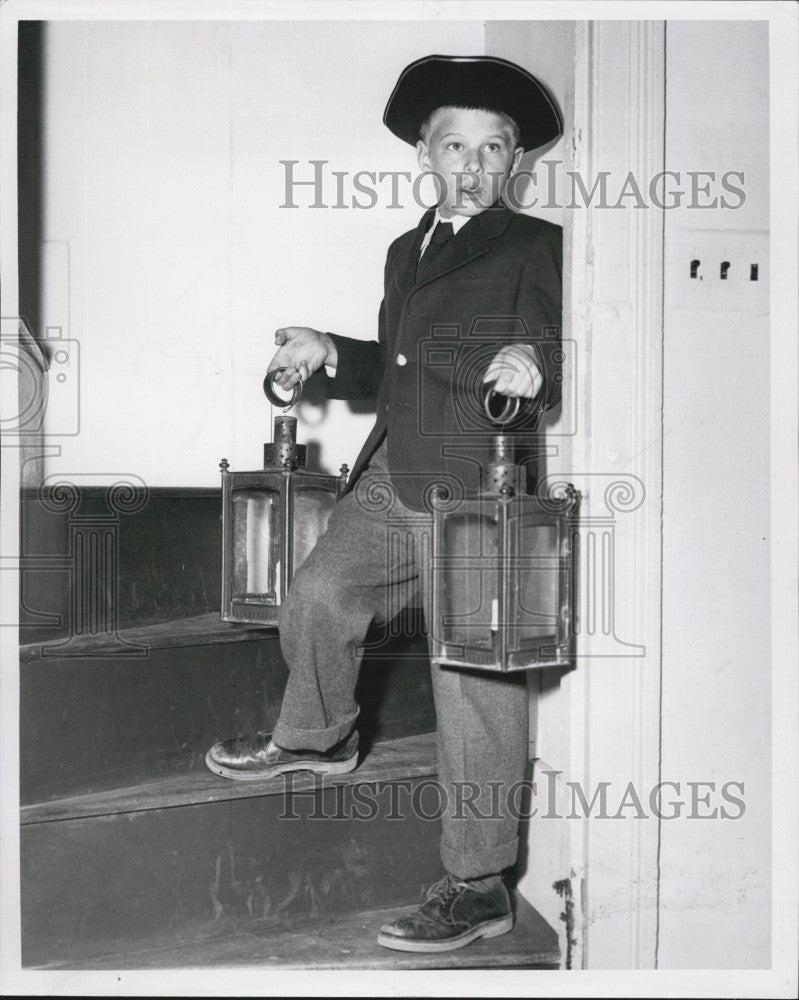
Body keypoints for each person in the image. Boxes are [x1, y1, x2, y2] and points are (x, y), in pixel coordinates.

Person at [206, 54, 563, 954]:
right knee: (320, 594)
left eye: (494, 148)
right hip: (391, 469)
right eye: (455, 145)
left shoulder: (535, 243)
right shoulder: (407, 249)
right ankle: (320, 736)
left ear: (514, 158)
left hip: (478, 486)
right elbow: (397, 365)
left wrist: (534, 366)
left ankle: (478, 884)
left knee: (473, 684)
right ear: (424, 154)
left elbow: (549, 339)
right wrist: (329, 346)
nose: (474, 164)